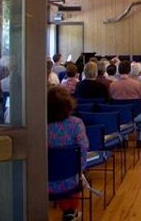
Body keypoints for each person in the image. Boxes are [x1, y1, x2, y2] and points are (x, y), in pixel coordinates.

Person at [47, 86, 88, 221]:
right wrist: (80, 171)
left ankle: (69, 210)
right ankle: (70, 211)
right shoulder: (76, 124)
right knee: (70, 172)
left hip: (41, 181)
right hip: (71, 180)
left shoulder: (39, 125)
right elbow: (83, 151)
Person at [110, 60, 141, 147]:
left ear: (118, 70)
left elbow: (111, 102)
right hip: (135, 115)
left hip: (119, 116)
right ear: (129, 71)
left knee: (123, 113)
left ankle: (123, 139)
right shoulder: (137, 84)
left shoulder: (112, 85)